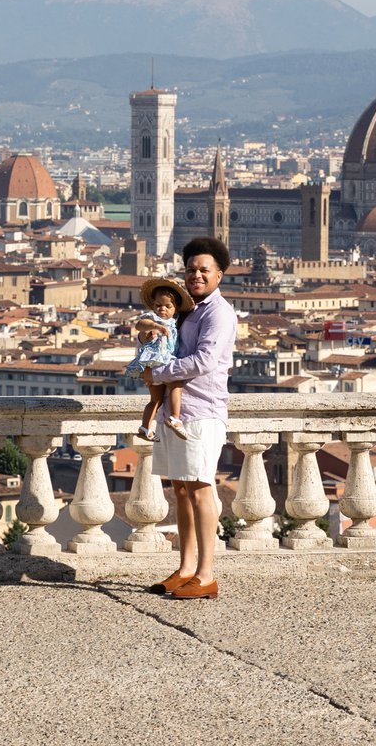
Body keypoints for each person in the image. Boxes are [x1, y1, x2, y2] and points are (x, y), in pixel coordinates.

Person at [145, 235, 235, 600]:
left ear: (219, 275)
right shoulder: (185, 309)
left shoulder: (219, 313)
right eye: (191, 269)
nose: (196, 275)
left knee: (200, 489)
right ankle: (185, 569)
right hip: (176, 412)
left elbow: (205, 361)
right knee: (180, 489)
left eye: (204, 270)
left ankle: (206, 575)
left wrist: (160, 372)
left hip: (202, 412)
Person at [125, 279, 192, 442]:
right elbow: (140, 324)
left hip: (155, 364)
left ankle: (145, 427)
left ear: (175, 309)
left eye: (167, 306)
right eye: (158, 305)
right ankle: (175, 418)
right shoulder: (154, 319)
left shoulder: (174, 322)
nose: (162, 309)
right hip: (159, 360)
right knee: (176, 384)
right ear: (153, 306)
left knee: (156, 399)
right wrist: (156, 326)